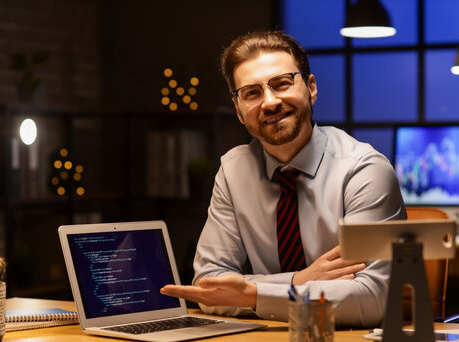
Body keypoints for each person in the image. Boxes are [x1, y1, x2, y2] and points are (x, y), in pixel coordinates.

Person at [160, 30, 406, 327]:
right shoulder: (233, 171)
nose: (270, 102)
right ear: (239, 110)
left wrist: (254, 295)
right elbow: (209, 286)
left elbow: (374, 298)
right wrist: (298, 280)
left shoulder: (364, 170)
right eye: (252, 92)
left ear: (311, 88)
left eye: (282, 84)